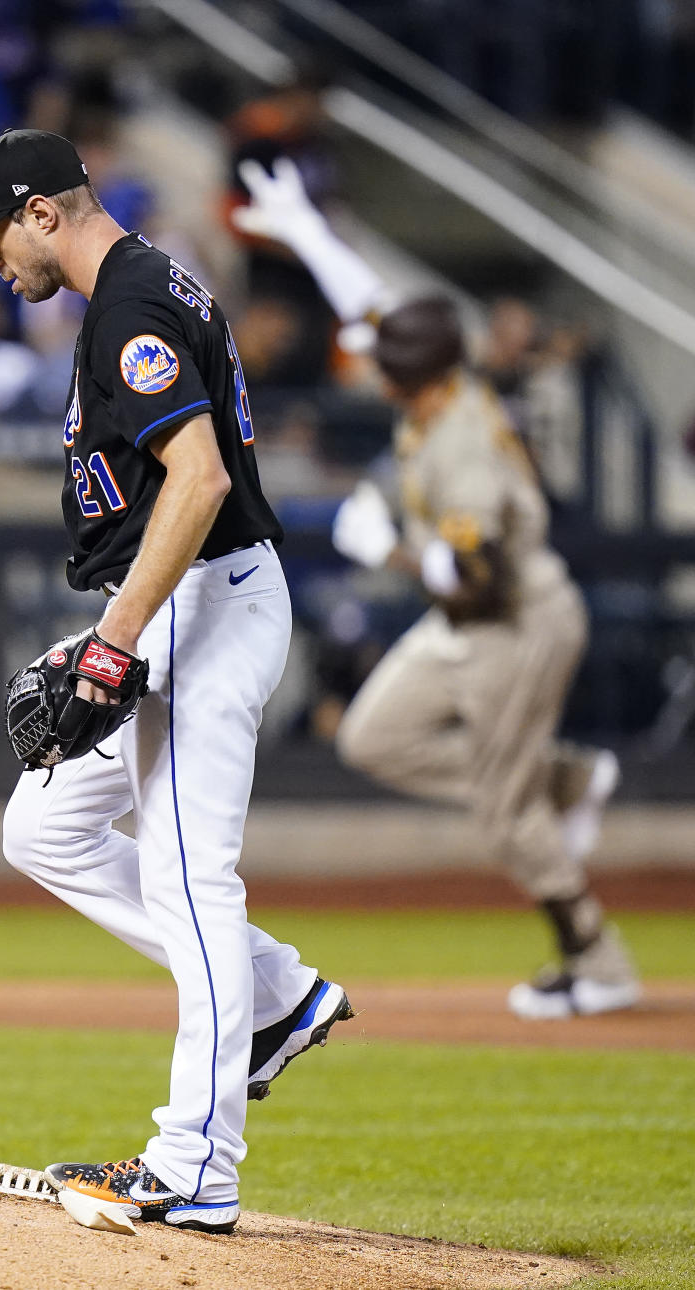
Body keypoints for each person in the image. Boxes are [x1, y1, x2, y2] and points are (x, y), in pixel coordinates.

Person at [0, 130, 352, 1234]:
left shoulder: (127, 307)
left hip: (198, 603)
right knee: (47, 828)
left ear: (39, 213)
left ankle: (195, 1165)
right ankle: (275, 997)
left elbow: (200, 478)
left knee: (187, 880)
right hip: (182, 599)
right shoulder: (143, 278)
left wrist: (114, 641)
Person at [232, 161, 640, 1022]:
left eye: (382, 366)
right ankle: (560, 778)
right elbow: (374, 303)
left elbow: (478, 576)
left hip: (516, 620)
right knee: (376, 738)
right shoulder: (444, 373)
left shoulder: (462, 446)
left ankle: (596, 960)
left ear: (411, 379)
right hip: (465, 621)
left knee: (505, 814)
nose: (369, 369)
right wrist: (305, 229)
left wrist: (391, 552)